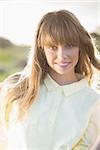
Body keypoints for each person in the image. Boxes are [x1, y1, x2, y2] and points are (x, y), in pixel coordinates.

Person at [0, 9, 100, 150]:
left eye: (69, 45)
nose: (62, 55)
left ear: (80, 47)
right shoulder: (17, 89)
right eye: (53, 47)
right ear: (42, 48)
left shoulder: (93, 101)